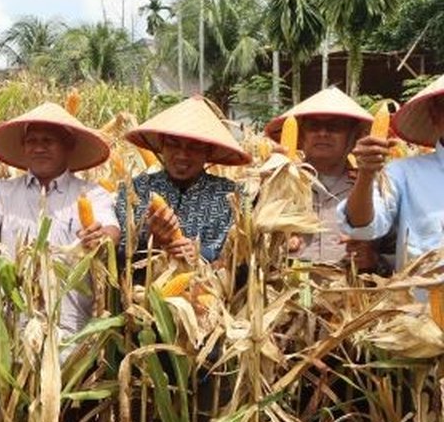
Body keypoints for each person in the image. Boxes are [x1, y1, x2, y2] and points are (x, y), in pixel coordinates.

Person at [0, 101, 118, 422]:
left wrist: (100, 236)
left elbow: (110, 230)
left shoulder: (92, 193)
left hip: (72, 340)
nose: (39, 147)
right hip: (12, 337)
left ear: (67, 147)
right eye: (33, 141)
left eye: (49, 140)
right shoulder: (2, 191)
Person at [116, 97, 251, 265]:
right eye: (173, 144)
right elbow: (116, 256)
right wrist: (150, 241)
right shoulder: (135, 190)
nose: (182, 155)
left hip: (209, 289)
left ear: (208, 151)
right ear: (162, 145)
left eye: (194, 147)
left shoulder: (231, 195)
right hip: (143, 289)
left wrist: (202, 254)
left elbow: (243, 255)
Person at [341, 73, 444, 278]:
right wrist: (366, 175)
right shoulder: (402, 173)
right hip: (421, 307)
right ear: (434, 115)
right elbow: (363, 227)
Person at [265, 87, 379, 272]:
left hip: (350, 294)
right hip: (288, 293)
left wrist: (373, 259)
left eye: (335, 127)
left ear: (354, 137)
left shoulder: (372, 188)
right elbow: (244, 245)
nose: (323, 133)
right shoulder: (273, 184)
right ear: (301, 136)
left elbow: (397, 251)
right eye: (314, 126)